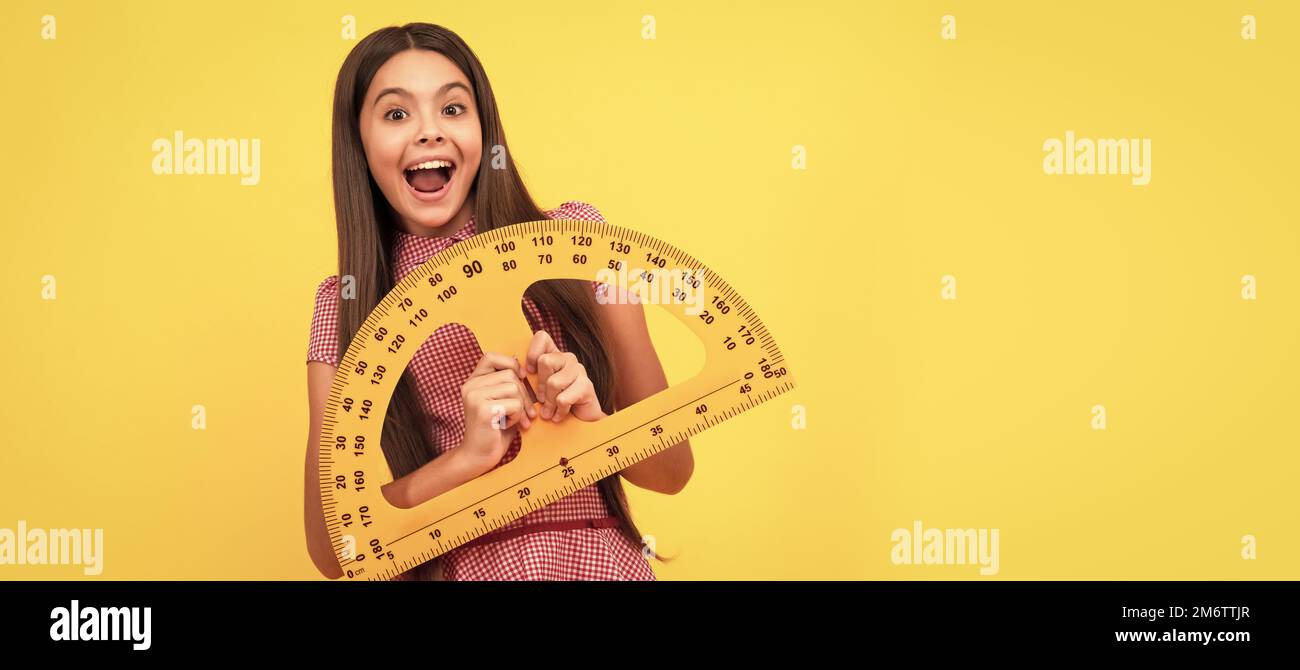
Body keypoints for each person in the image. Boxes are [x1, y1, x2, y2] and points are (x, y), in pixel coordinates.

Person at [303, 23, 693, 581]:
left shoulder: (577, 242)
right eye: (396, 114)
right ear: (358, 145)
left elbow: (671, 470)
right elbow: (331, 547)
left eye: (453, 109)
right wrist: (467, 459)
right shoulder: (344, 307)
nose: (429, 133)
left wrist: (595, 422)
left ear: (485, 131)